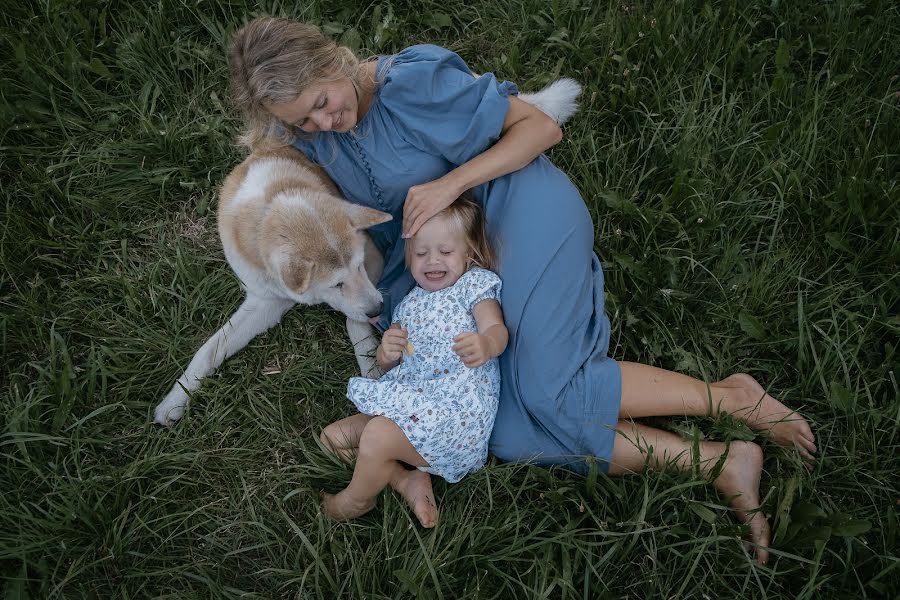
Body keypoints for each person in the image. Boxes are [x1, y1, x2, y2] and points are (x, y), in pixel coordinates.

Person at [227, 17, 817, 563]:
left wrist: (449, 183)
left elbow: (540, 126)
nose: (321, 125)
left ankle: (733, 400)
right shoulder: (304, 137)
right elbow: (271, 188)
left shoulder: (412, 80)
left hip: (513, 204)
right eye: (303, 120)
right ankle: (719, 462)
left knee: (548, 388)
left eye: (323, 104)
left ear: (331, 62)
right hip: (435, 260)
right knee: (504, 431)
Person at [318, 196, 506, 524]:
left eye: (446, 252)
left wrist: (487, 344)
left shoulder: (472, 285)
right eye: (421, 253)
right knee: (333, 439)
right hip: (412, 406)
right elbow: (397, 365)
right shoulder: (409, 305)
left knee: (375, 435)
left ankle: (355, 501)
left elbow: (496, 328)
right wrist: (386, 353)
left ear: (469, 254)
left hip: (453, 421)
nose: (432, 261)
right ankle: (406, 481)